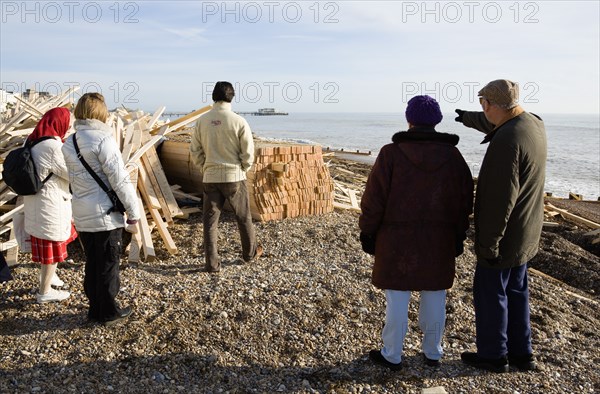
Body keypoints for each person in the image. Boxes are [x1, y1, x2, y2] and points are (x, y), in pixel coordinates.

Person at [359, 95, 474, 370]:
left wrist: (368, 231)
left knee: (397, 297)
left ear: (409, 119)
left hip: (397, 240)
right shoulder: (453, 156)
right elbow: (464, 200)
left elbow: (374, 199)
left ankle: (392, 354)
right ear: (437, 121)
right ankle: (433, 352)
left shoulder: (391, 153)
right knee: (435, 294)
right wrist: (459, 234)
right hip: (440, 238)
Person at [455, 79, 547, 373]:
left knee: (491, 293)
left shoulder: (506, 142)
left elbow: (499, 199)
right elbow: (495, 121)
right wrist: (467, 117)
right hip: (527, 232)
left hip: (505, 236)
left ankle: (494, 356)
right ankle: (523, 354)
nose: (483, 111)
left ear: (489, 104)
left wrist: (488, 244)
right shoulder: (533, 123)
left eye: (483, 105)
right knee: (517, 292)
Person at [62, 92, 140, 326]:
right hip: (105, 214)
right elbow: (120, 179)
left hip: (82, 212)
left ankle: (94, 309)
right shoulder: (103, 140)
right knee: (108, 263)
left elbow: (73, 179)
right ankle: (109, 313)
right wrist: (134, 212)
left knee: (93, 262)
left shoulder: (69, 142)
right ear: (101, 114)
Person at [190, 81, 263, 273]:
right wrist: (243, 169)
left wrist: (204, 167)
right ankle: (249, 254)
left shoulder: (202, 121)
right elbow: (248, 152)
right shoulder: (239, 121)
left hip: (210, 176)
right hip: (234, 176)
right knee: (243, 217)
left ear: (213, 96)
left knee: (210, 222)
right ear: (232, 97)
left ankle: (212, 264)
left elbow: (195, 150)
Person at [23, 107, 77, 303]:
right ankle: (44, 292)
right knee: (52, 246)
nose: (70, 126)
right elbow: (71, 174)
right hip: (50, 204)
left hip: (36, 201)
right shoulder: (52, 147)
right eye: (68, 123)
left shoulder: (31, 139)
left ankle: (49, 276)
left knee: (51, 242)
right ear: (59, 123)